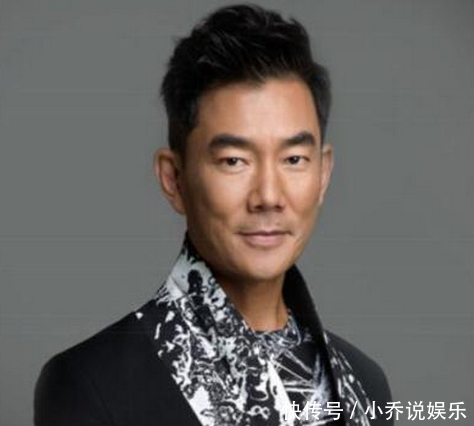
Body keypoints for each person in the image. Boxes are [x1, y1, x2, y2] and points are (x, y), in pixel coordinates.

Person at [34, 4, 393, 426]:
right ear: (174, 178)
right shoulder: (93, 384)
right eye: (234, 161)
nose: (269, 196)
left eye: (294, 159)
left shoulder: (364, 384)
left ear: (323, 174)